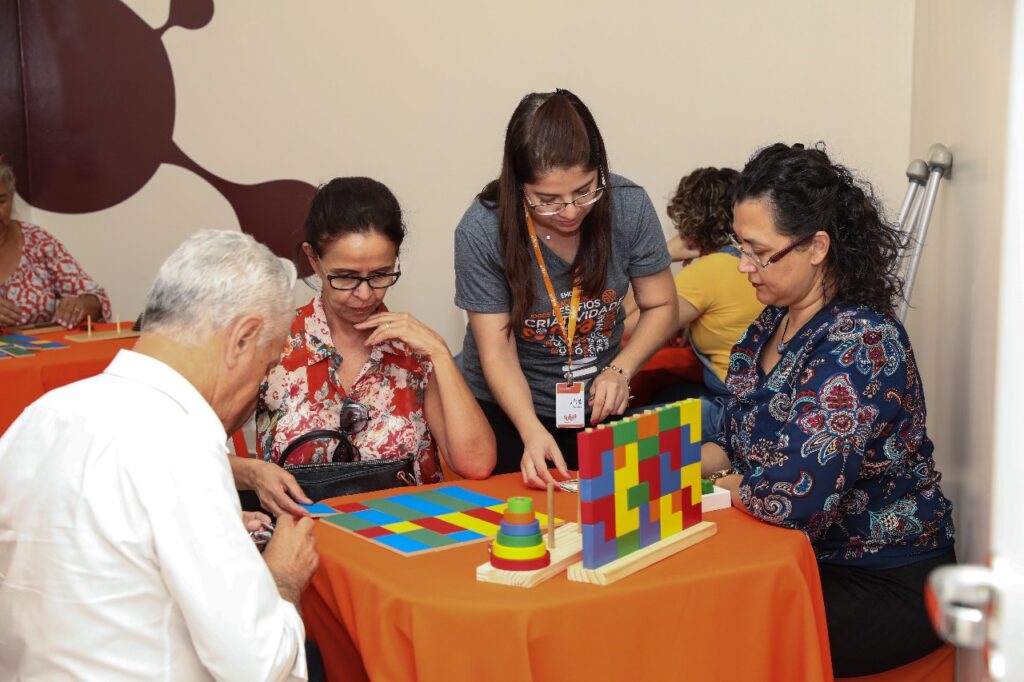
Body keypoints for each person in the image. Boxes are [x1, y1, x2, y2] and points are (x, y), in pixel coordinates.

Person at [0, 230, 320, 680]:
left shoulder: (40, 416)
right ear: (242, 339)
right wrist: (283, 577)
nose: (259, 388)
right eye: (267, 366)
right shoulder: (179, 445)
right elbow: (260, 665)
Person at [701, 143, 956, 677]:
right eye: (738, 247)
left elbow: (795, 501)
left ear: (816, 246)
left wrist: (721, 485)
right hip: (803, 560)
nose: (744, 267)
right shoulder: (769, 327)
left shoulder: (860, 343)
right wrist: (650, 465)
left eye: (758, 251)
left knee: (720, 636)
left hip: (883, 576)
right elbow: (731, 437)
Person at [454, 89, 678, 489]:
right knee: (521, 535)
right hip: (507, 413)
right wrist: (529, 430)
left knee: (604, 532)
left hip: (599, 406)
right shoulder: (482, 230)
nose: (571, 212)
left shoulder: (628, 207)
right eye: (548, 200)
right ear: (518, 184)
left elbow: (661, 305)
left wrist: (620, 371)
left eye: (584, 191)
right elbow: (497, 348)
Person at [255, 177, 495, 491]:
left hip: (405, 532)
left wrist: (439, 353)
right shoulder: (274, 342)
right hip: (303, 534)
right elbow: (191, 451)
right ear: (313, 259)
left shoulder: (414, 351)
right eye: (346, 277)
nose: (365, 294)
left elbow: (476, 464)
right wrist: (253, 474)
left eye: (380, 275)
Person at [623, 167, 764, 437]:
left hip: (734, 409)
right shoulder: (752, 263)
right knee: (669, 392)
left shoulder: (708, 272)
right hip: (759, 400)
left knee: (619, 431)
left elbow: (623, 323)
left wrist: (659, 256)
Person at [0, 159, 111, 328]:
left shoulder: (37, 242)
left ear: (12, 197)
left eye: (1, 201)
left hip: (38, 351)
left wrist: (79, 306)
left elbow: (95, 299)